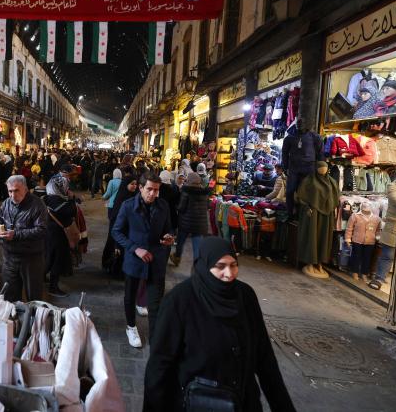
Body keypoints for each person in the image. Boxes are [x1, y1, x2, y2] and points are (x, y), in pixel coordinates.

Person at [144, 237, 296, 412]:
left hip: (244, 403)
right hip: (201, 405)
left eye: (233, 265)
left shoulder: (245, 296)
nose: (229, 273)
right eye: (220, 266)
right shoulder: (180, 300)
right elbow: (159, 366)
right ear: (205, 265)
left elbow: (265, 360)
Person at [112, 173, 174, 348]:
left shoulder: (163, 206)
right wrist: (134, 248)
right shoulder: (128, 206)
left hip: (157, 259)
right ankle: (131, 326)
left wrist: (169, 237)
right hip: (134, 260)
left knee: (155, 303)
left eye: (156, 190)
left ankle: (155, 338)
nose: (153, 194)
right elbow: (117, 231)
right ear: (140, 188)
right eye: (149, 189)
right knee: (130, 296)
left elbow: (168, 228)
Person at [0, 175, 47, 302]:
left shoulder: (37, 204)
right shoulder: (6, 203)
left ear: (25, 189)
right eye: (10, 191)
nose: (13, 195)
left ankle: (34, 320)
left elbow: (42, 230)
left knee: (33, 297)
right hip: (9, 257)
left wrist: (16, 234)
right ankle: (14, 320)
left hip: (30, 258)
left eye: (16, 190)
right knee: (10, 296)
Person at [43, 174, 77, 297]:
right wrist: (72, 199)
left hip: (48, 232)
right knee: (57, 259)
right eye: (65, 186)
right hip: (57, 234)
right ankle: (53, 287)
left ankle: (42, 278)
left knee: (49, 257)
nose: (67, 188)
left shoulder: (46, 198)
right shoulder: (58, 201)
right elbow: (70, 213)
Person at [170, 173, 210, 266]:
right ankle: (197, 269)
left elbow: (181, 207)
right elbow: (207, 206)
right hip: (200, 224)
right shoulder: (204, 193)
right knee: (197, 248)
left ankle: (177, 258)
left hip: (185, 223)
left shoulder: (186, 191)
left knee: (180, 242)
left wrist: (176, 207)